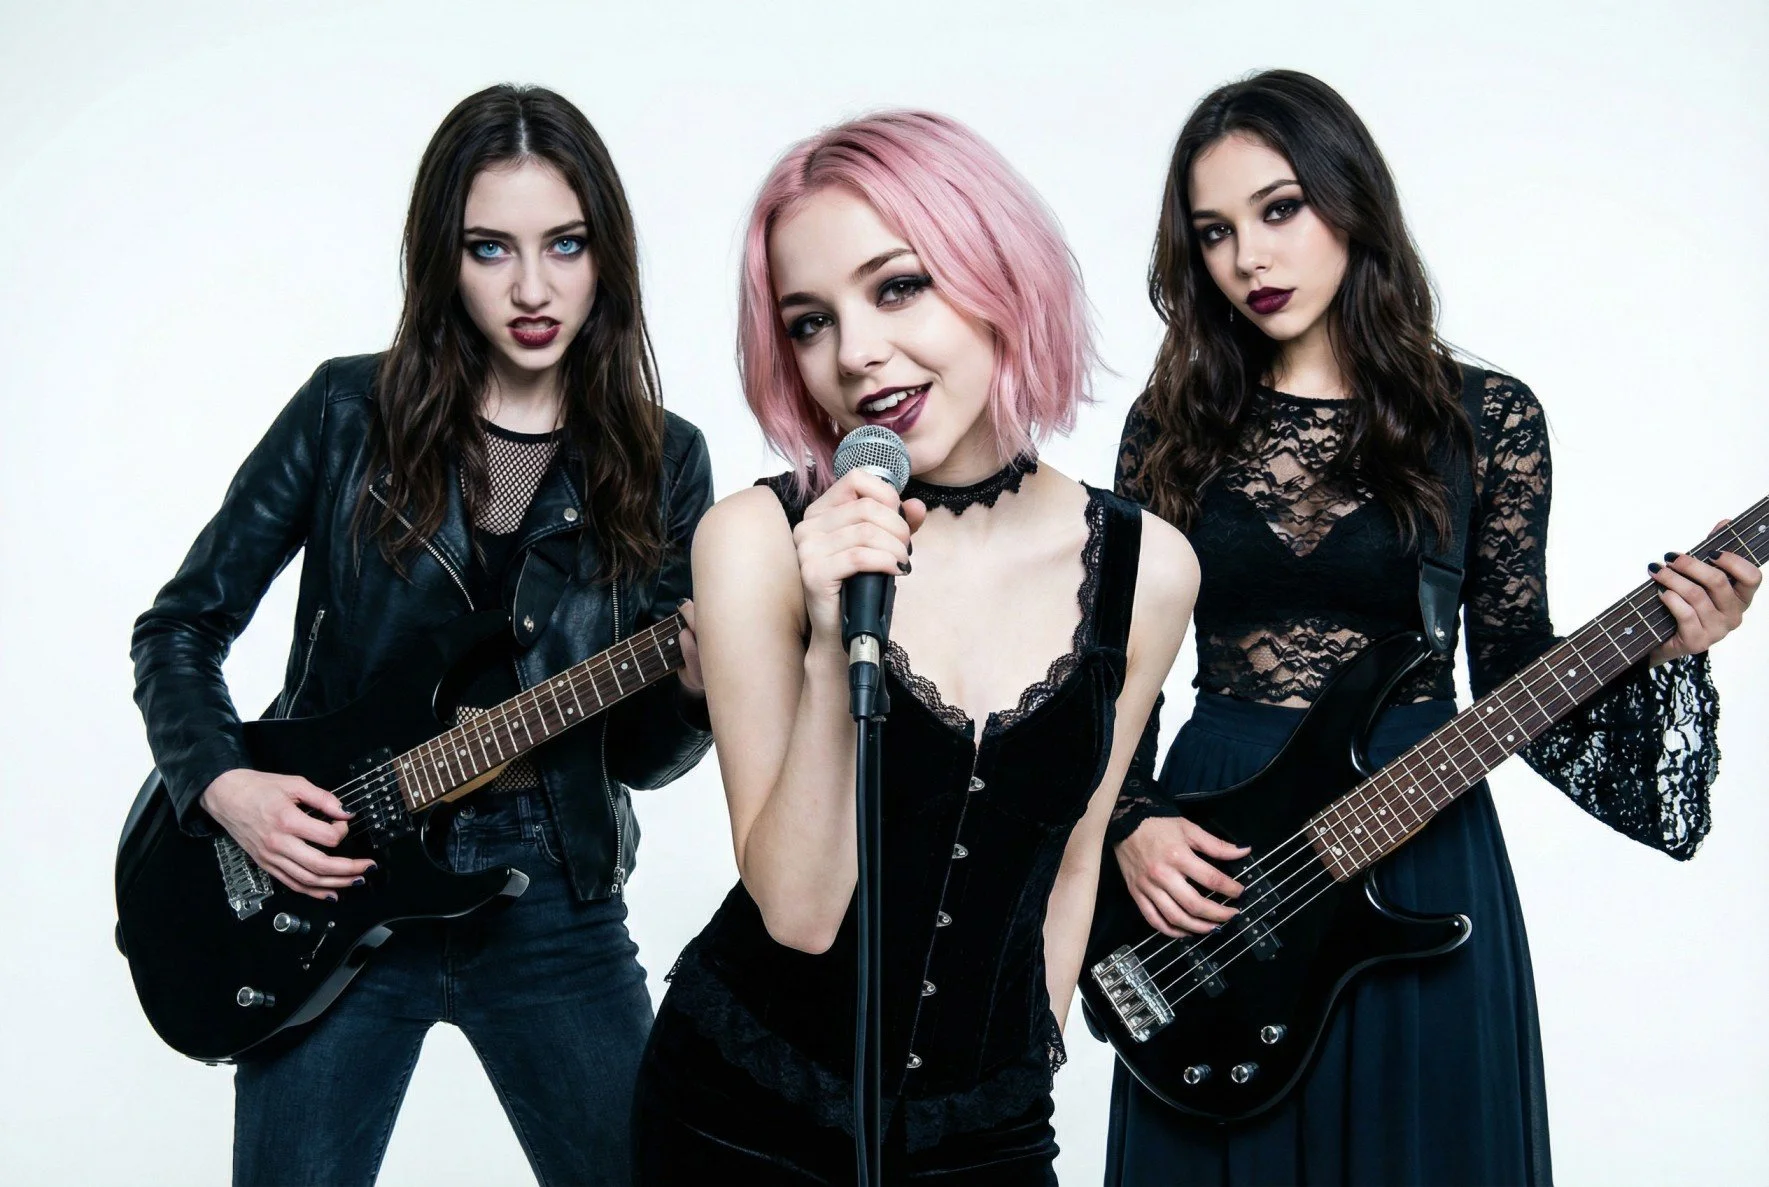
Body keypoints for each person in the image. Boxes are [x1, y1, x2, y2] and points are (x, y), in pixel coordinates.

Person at [1103, 70, 1759, 1186]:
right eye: (1213, 232)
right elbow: (1112, 673)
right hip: (1208, 852)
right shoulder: (1171, 423)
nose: (1248, 258)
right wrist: (1128, 820)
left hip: (1416, 839)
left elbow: (1510, 660)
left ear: (1348, 200)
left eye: (1278, 209)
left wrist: (1667, 647)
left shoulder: (1483, 418)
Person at [130, 84, 713, 1187]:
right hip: (329, 869)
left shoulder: (664, 457)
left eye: (565, 245)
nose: (532, 288)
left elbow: (636, 756)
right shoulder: (346, 412)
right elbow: (180, 625)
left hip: (552, 893)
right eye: (490, 248)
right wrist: (226, 785)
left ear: (608, 258)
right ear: (442, 257)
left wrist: (688, 691)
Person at [628, 110, 1199, 1184]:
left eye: (897, 287)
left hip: (983, 1132)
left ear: (996, 273)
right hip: (739, 1117)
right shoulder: (755, 541)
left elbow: (1071, 860)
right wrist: (829, 634)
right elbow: (796, 912)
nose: (854, 353)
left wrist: (1030, 1062)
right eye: (808, 321)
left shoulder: (1146, 569)